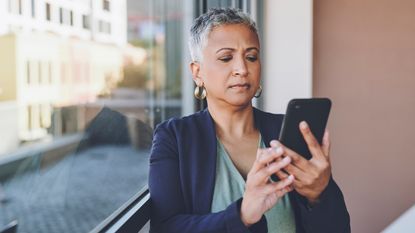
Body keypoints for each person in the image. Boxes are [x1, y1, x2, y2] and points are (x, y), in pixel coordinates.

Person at [148, 8, 350, 233]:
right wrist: (242, 215)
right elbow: (164, 227)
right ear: (197, 72)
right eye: (226, 58)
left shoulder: (285, 132)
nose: (242, 69)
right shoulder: (174, 137)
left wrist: (320, 194)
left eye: (251, 57)